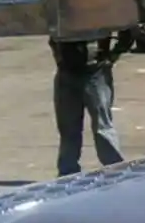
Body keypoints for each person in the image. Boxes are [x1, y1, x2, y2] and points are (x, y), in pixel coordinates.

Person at [51, 30, 135, 176]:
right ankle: (67, 173)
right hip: (66, 72)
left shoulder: (98, 10)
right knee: (68, 128)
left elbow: (128, 29)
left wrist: (113, 55)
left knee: (102, 126)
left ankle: (115, 170)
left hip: (95, 72)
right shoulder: (64, 10)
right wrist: (58, 56)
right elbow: (52, 32)